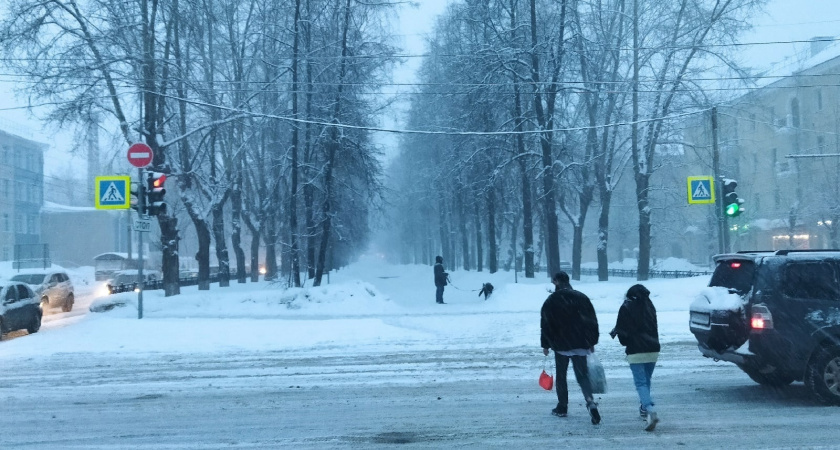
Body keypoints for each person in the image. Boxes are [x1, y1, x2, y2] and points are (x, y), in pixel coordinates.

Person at [540, 271, 601, 424]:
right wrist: (592, 341)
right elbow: (592, 321)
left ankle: (562, 407)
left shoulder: (552, 300)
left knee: (561, 376)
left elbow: (545, 324)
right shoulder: (581, 297)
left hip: (561, 345)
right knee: (582, 376)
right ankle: (590, 401)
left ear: (555, 282)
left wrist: (546, 344)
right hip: (580, 343)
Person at [610, 284, 661, 432]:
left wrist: (620, 335)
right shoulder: (650, 306)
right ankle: (644, 408)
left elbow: (624, 333)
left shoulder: (626, 307)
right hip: (653, 348)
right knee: (646, 381)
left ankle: (650, 408)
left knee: (640, 383)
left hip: (636, 350)